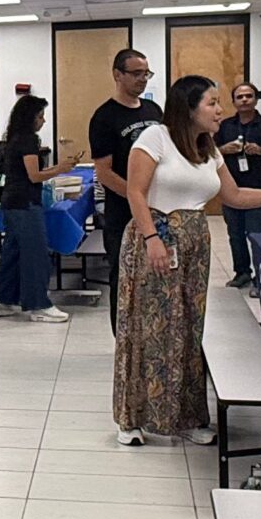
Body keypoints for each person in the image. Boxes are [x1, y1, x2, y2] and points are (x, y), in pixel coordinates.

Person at [115, 76, 261, 447]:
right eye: (212, 103)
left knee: (189, 327)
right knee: (149, 327)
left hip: (193, 246)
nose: (220, 110)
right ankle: (132, 417)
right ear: (188, 109)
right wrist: (152, 238)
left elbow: (234, 196)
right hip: (155, 239)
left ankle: (186, 416)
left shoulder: (209, 149)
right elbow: (135, 192)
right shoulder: (155, 138)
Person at [88, 47, 164, 328]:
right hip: (122, 214)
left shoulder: (154, 111)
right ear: (117, 75)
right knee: (123, 278)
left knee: (155, 276)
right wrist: (139, 198)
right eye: (136, 73)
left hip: (158, 210)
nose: (142, 79)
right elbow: (104, 173)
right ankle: (122, 340)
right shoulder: (104, 118)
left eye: (146, 74)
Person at [0, 94, 66, 323]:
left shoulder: (14, 138)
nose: (43, 121)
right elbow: (34, 176)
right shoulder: (29, 140)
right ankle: (38, 305)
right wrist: (60, 169)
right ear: (30, 117)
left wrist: (58, 168)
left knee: (13, 253)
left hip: (12, 202)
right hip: (24, 203)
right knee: (36, 254)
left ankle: (1, 300)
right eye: (40, 116)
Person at [216, 82, 261, 291]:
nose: (244, 100)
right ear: (233, 102)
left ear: (256, 99)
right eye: (239, 97)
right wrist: (224, 149)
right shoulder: (224, 126)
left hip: (259, 190)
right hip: (231, 189)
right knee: (235, 234)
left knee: (257, 234)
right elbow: (208, 152)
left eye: (248, 96)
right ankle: (242, 273)